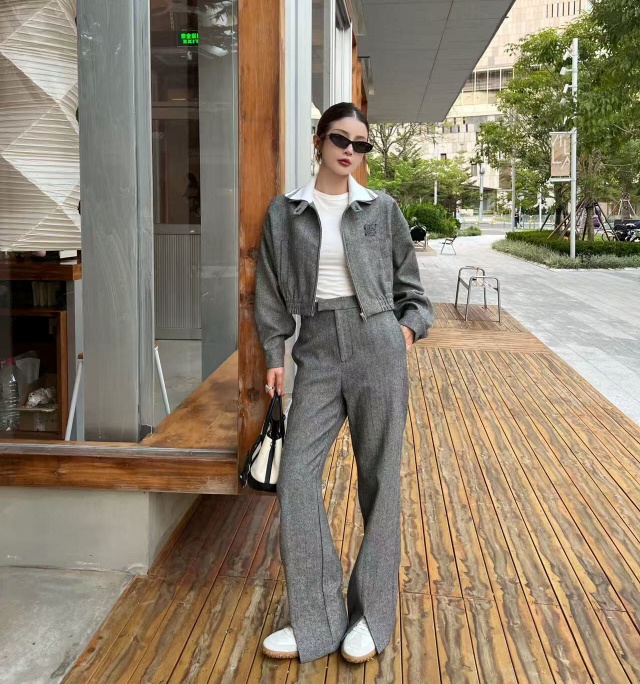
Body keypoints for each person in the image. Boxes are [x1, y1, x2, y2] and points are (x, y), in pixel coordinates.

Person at [254, 102, 434, 665]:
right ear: (319, 140)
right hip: (316, 348)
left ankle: (370, 618)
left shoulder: (381, 209)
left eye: (361, 144)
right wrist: (273, 352)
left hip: (377, 341)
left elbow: (413, 291)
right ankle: (317, 619)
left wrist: (404, 331)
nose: (350, 151)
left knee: (379, 478)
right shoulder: (286, 212)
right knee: (296, 479)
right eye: (340, 138)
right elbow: (268, 289)